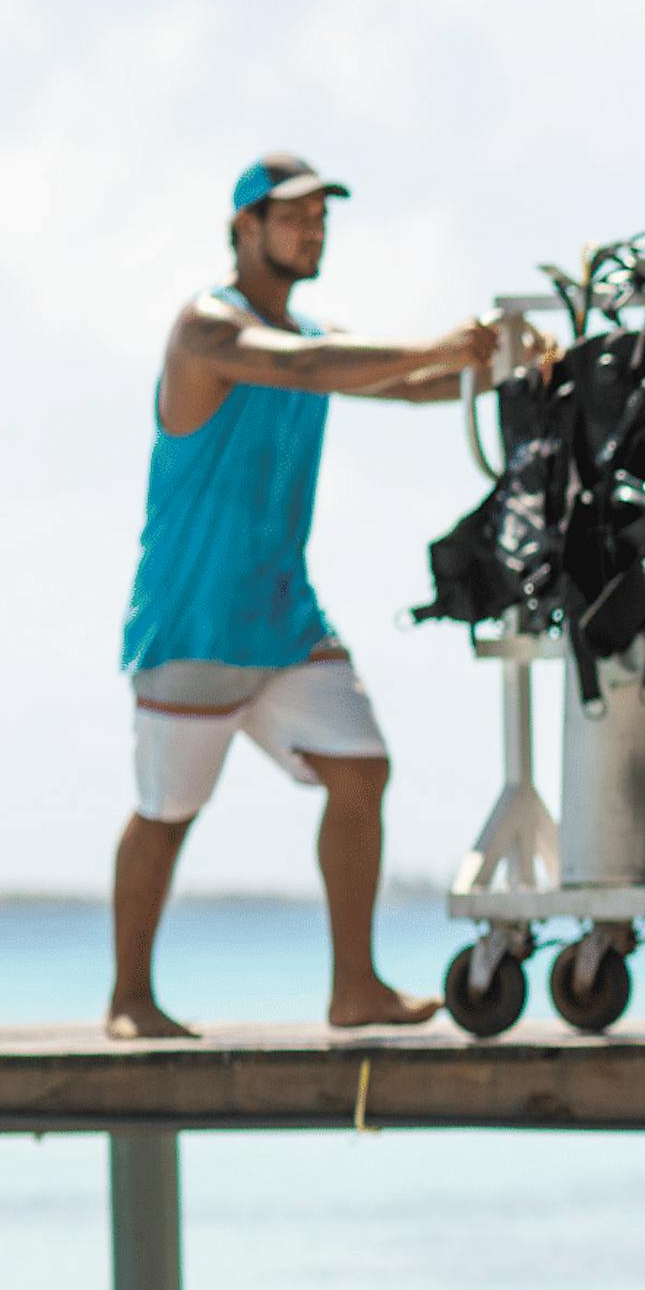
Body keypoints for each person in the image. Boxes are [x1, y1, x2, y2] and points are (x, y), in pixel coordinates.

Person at [107, 153, 501, 1040]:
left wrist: (504, 367)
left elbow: (405, 383)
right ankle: (130, 999)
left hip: (283, 616)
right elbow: (310, 367)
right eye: (293, 216)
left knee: (361, 771)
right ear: (244, 228)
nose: (313, 228)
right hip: (194, 621)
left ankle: (354, 989)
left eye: (322, 215)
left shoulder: (310, 334)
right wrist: (439, 343)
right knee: (167, 816)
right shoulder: (206, 329)